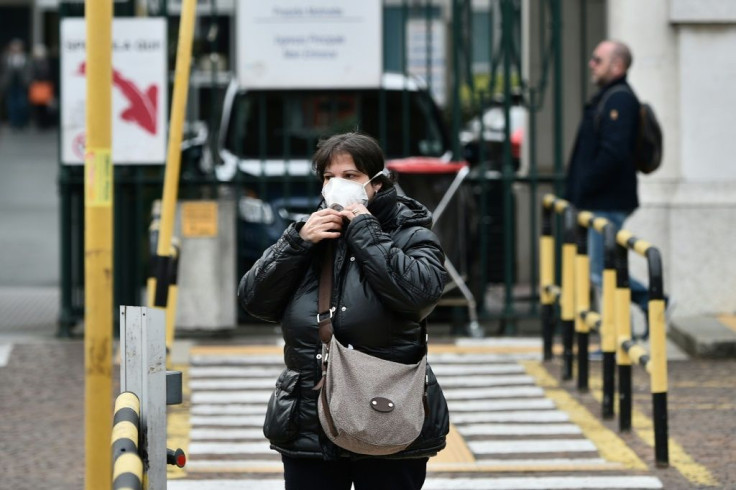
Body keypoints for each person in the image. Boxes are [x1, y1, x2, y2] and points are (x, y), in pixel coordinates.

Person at [238, 132, 450, 490]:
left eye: (350, 176)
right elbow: (254, 300)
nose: (337, 185)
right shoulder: (312, 236)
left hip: (387, 412)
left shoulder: (411, 235)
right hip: (309, 419)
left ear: (377, 183)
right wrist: (297, 242)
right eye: (328, 177)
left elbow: (418, 295)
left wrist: (365, 229)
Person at [565, 39, 666, 340]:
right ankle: (618, 336)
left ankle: (651, 301)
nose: (591, 64)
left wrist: (585, 185)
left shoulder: (620, 100)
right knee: (603, 271)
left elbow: (613, 153)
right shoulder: (608, 97)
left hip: (607, 201)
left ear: (617, 65)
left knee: (601, 272)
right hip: (599, 200)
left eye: (598, 59)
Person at [0, 39, 30, 130]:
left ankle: (22, 122)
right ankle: (14, 122)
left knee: (22, 103)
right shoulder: (6, 57)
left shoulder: (25, 57)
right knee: (11, 103)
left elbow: (29, 70)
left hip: (22, 84)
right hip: (10, 84)